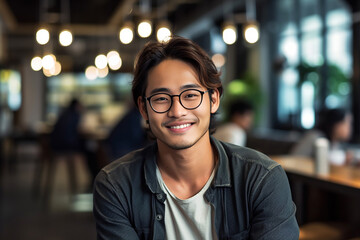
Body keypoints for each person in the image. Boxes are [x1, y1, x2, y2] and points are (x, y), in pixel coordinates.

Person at [93, 36, 299, 239]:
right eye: (161, 99)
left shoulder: (261, 178)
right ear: (144, 109)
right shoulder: (116, 185)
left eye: (190, 95)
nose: (177, 111)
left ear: (214, 99)